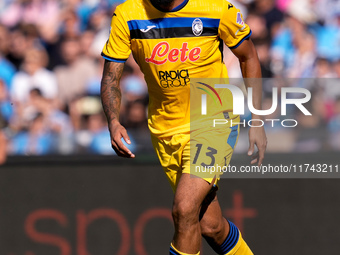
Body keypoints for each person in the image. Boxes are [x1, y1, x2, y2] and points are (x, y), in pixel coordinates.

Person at [100, 0, 267, 254]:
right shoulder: (127, 14)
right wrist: (113, 121)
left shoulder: (215, 8)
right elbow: (111, 75)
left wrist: (257, 118)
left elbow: (249, 55)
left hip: (213, 119)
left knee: (184, 208)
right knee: (210, 226)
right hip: (165, 129)